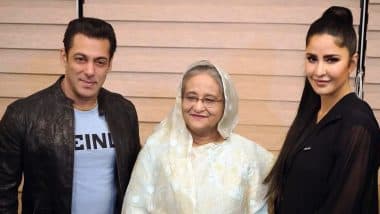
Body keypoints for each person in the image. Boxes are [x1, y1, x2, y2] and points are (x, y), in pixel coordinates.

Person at [0, 17, 141, 214]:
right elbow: (3, 195)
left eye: (100, 62)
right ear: (64, 57)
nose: (90, 71)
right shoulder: (22, 115)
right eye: (80, 59)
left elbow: (137, 184)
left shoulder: (124, 111)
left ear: (109, 65)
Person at [264, 6, 380, 214]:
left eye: (331, 59)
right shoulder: (311, 114)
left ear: (352, 63)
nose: (319, 71)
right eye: (312, 59)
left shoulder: (358, 124)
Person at [122, 60, 273, 213]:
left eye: (209, 100)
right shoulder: (157, 149)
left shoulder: (248, 155)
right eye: (191, 97)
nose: (198, 107)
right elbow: (135, 207)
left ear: (226, 105)